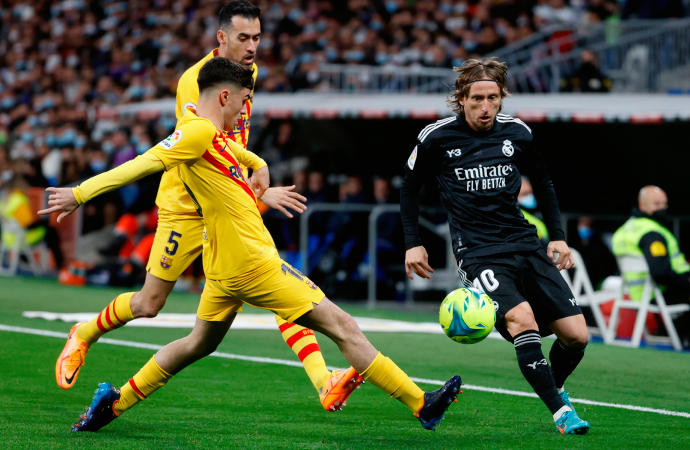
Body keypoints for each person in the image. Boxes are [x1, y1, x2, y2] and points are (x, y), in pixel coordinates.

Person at [41, 58, 462, 432]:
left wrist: (258, 165)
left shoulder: (209, 133)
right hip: (251, 264)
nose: (245, 110)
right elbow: (142, 163)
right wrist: (79, 194)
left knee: (195, 345)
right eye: (242, 101)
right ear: (224, 95)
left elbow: (233, 157)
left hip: (222, 266)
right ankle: (420, 404)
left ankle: (113, 406)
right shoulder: (197, 131)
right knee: (342, 326)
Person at [49, 1, 351, 412]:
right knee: (149, 304)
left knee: (276, 280)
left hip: (229, 199)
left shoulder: (251, 74)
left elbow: (233, 138)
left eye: (257, 38)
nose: (252, 47)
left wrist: (253, 178)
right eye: (243, 38)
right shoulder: (192, 83)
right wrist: (259, 187)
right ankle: (84, 332)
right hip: (186, 205)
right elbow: (201, 145)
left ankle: (323, 380)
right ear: (221, 37)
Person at [400, 57, 590, 435]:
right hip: (478, 252)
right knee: (523, 319)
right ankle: (561, 413)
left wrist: (557, 236)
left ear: (502, 98)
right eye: (477, 99)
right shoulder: (436, 137)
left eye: (493, 98)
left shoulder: (518, 133)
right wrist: (413, 244)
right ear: (461, 99)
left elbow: (545, 183)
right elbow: (408, 188)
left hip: (524, 244)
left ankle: (556, 385)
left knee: (576, 336)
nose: (486, 107)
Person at [611, 185, 690, 347]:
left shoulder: (624, 230)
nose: (662, 208)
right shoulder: (652, 232)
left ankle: (669, 331)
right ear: (642, 206)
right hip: (658, 293)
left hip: (637, 293)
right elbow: (660, 272)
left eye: (664, 204)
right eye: (656, 204)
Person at [518, 176, 549, 242]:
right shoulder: (516, 218)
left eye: (530, 192)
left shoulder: (536, 216)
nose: (530, 196)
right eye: (525, 194)